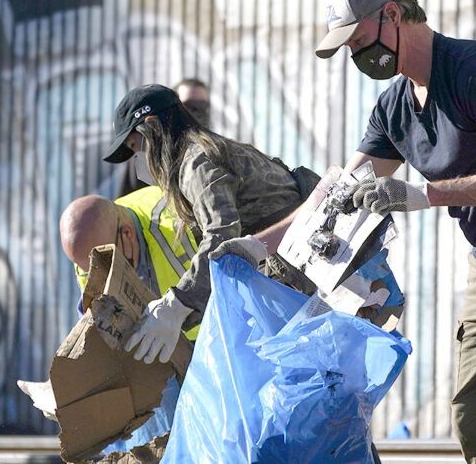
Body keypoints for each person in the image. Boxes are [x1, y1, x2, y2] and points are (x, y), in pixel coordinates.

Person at [234, 0, 476, 463]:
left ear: (392, 15)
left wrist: (421, 194)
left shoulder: (474, 69)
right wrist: (258, 244)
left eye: (360, 42)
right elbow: (335, 196)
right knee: (475, 417)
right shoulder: (393, 109)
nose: (358, 57)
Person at [102, 83, 318, 365]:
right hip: (302, 276)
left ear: (151, 127)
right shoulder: (203, 150)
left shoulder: (195, 162)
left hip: (307, 279)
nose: (138, 159)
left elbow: (221, 234)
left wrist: (178, 304)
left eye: (136, 146)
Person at [59, 186, 201, 340]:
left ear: (127, 234)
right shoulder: (88, 252)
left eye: (108, 265)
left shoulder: (179, 223)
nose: (104, 278)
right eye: (89, 270)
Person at [115, 79, 212, 197]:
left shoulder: (216, 149)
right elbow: (126, 205)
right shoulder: (147, 151)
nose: (196, 111)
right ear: (175, 108)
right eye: (188, 105)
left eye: (201, 105)